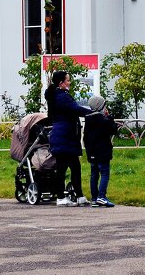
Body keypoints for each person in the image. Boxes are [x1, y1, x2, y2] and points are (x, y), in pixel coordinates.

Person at [44, 70, 92, 206]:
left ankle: (77, 195)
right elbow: (76, 109)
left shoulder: (56, 95)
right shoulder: (62, 97)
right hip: (65, 136)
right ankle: (64, 197)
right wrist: (93, 112)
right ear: (61, 83)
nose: (69, 82)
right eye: (68, 80)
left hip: (62, 136)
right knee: (67, 168)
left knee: (70, 167)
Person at [84, 94, 117, 207]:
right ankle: (101, 196)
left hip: (92, 152)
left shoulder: (88, 119)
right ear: (101, 107)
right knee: (104, 173)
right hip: (102, 152)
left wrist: (88, 151)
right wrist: (109, 117)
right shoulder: (103, 120)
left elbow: (85, 137)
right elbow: (113, 129)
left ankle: (94, 198)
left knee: (94, 174)